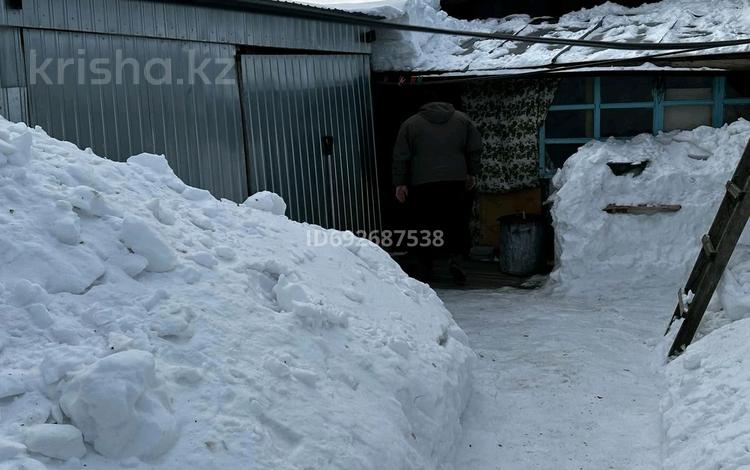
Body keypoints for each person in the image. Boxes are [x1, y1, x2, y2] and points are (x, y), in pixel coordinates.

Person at [392, 100, 482, 284]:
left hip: (422, 182)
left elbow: (401, 155)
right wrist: (472, 172)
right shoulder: (462, 120)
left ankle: (425, 266)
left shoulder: (411, 123)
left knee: (424, 224)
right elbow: (474, 148)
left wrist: (400, 183)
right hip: (455, 180)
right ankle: (456, 259)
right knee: (455, 222)